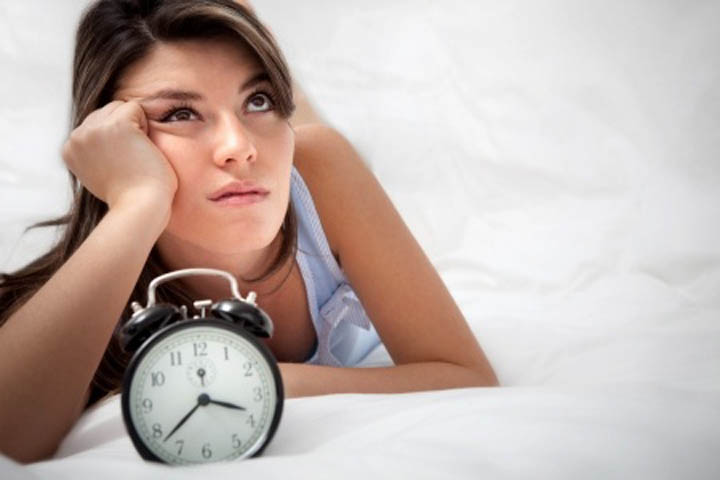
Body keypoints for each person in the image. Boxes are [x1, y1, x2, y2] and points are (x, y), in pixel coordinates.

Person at [0, 0, 499, 464]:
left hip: (302, 172)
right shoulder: (104, 275)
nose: (237, 147)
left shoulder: (319, 166)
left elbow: (465, 375)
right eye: (178, 113)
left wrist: (268, 381)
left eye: (259, 100)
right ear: (113, 138)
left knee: (298, 134)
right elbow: (10, 439)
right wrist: (135, 206)